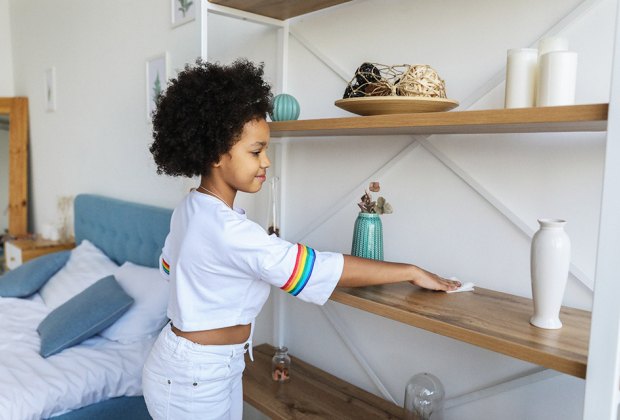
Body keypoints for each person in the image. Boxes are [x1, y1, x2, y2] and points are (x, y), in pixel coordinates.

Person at [142, 58, 460, 420]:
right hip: (193, 379)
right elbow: (314, 269)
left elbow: (169, 266)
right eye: (256, 151)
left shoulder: (191, 208)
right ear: (216, 152)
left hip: (201, 368)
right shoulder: (228, 230)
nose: (266, 162)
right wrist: (409, 270)